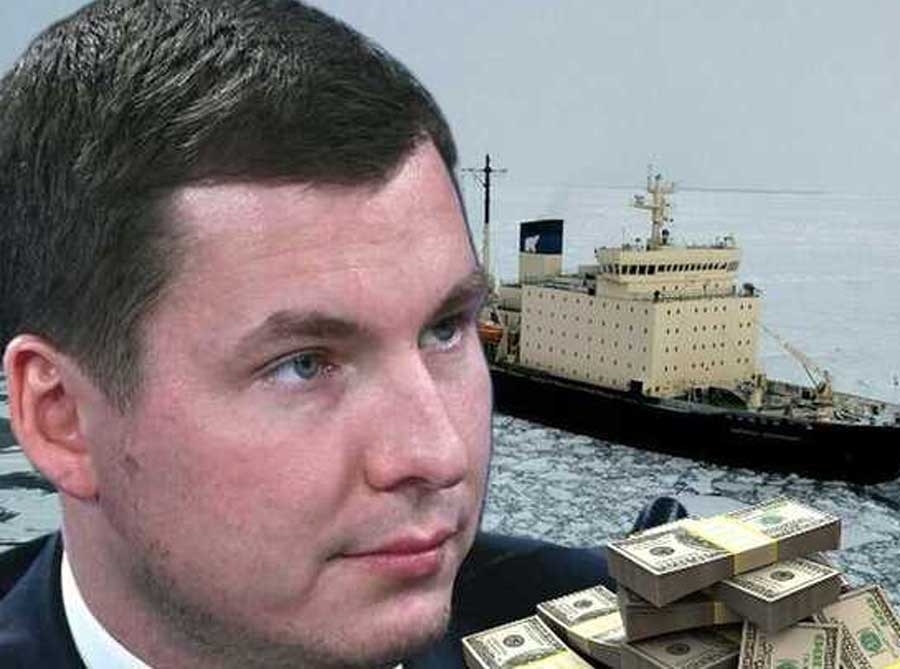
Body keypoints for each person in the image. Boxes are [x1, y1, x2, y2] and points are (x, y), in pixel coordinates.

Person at [0, 2, 685, 666]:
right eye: (303, 363)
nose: (439, 454)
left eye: (445, 329)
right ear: (63, 418)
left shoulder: (609, 623)